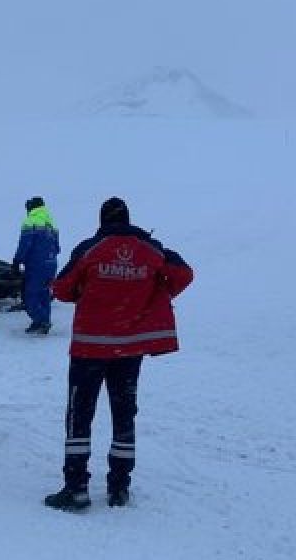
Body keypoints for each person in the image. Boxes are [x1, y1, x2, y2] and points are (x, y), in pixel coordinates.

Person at [43, 197, 194, 511]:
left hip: (89, 347)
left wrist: (89, 292)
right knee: (124, 414)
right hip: (129, 349)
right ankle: (120, 488)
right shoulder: (150, 250)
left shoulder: (90, 249)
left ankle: (76, 488)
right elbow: (183, 274)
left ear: (102, 221)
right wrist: (153, 292)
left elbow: (61, 288)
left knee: (79, 415)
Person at [12, 196, 60, 334]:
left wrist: (17, 261)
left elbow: (25, 244)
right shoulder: (51, 222)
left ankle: (42, 320)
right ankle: (42, 321)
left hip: (36, 265)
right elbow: (57, 247)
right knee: (44, 293)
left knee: (30, 295)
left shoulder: (30, 221)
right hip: (51, 264)